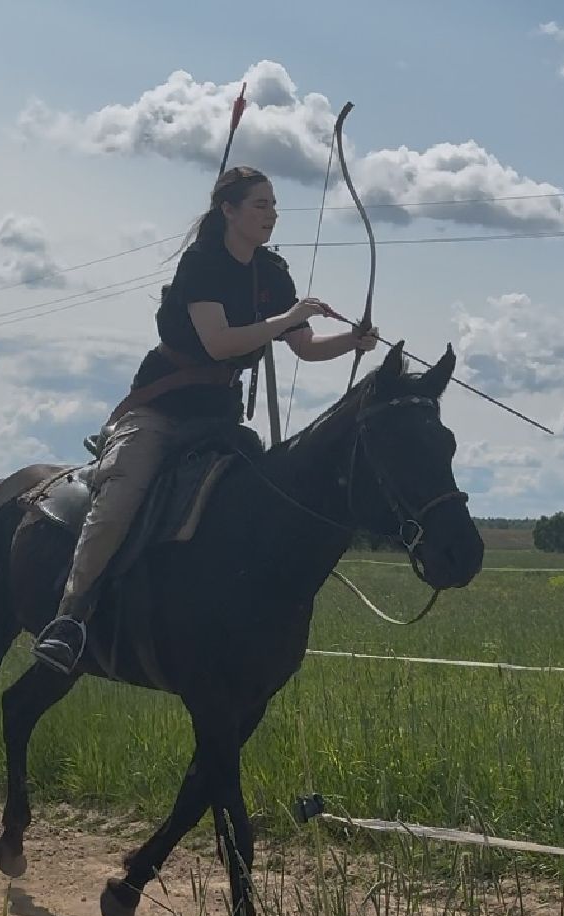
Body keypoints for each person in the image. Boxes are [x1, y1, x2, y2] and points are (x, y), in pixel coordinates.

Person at [31, 165, 379, 674]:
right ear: (229, 210)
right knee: (123, 493)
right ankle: (69, 619)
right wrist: (286, 319)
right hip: (160, 409)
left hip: (219, 415)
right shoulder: (202, 267)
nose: (272, 214)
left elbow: (303, 347)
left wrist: (353, 340)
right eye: (260, 204)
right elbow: (220, 342)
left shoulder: (273, 273)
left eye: (274, 205)